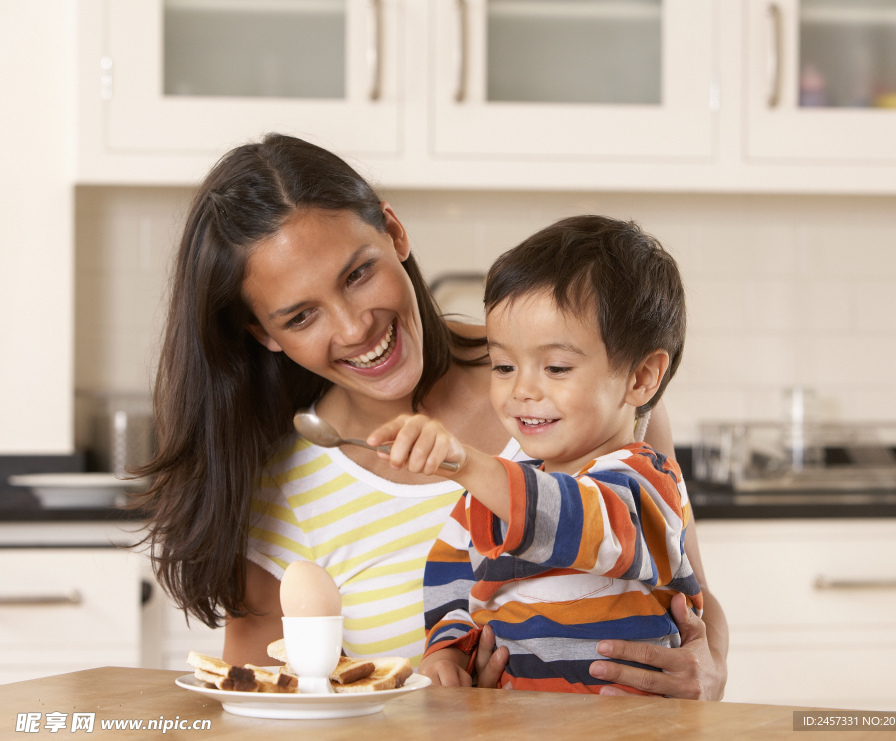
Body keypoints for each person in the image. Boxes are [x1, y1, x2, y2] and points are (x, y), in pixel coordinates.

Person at [137, 132, 728, 699]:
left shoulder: (587, 389)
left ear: (394, 232)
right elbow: (272, 701)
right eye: (299, 317)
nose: (353, 327)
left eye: (357, 273)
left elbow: (688, 588)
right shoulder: (281, 489)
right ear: (263, 334)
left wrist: (709, 668)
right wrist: (435, 692)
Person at [367, 216, 703, 693]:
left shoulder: (647, 483)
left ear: (642, 377)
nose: (522, 389)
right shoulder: (487, 500)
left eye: (556, 367)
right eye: (503, 365)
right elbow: (452, 585)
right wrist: (445, 651)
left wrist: (468, 462)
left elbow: (582, 525)